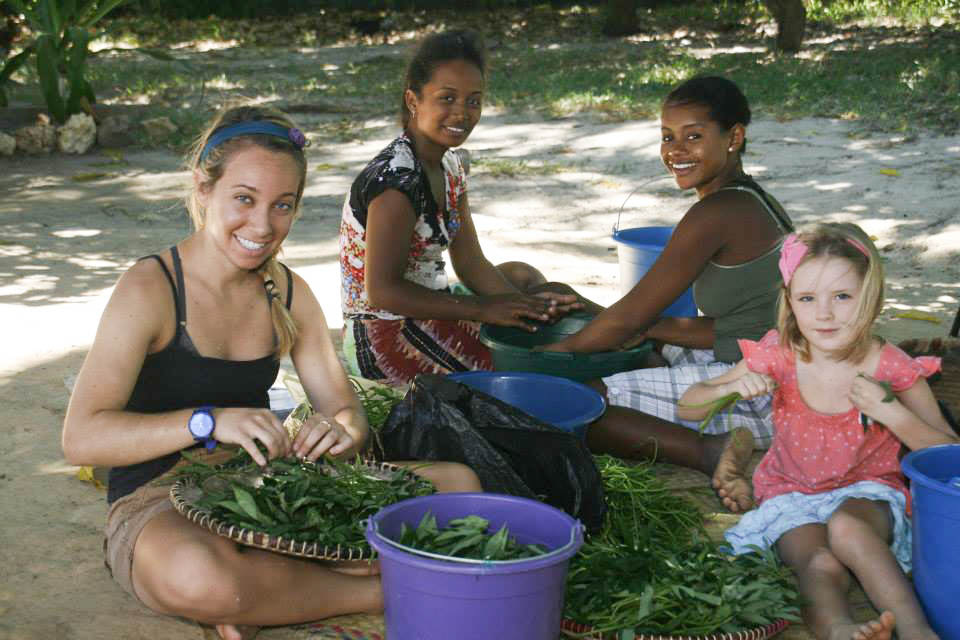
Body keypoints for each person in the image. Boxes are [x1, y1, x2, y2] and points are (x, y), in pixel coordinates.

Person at [62, 105, 481, 640]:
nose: (262, 226)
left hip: (269, 483)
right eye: (244, 198)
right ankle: (376, 589)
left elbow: (346, 414)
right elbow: (82, 439)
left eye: (283, 205)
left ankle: (266, 595)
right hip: (159, 499)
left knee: (457, 486)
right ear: (202, 189)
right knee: (198, 575)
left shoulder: (285, 291)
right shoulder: (151, 289)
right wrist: (206, 421)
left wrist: (339, 433)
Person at [679, 223, 955, 640]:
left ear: (871, 297)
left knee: (850, 530)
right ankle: (840, 630)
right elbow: (688, 406)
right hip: (791, 493)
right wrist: (731, 386)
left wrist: (893, 414)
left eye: (842, 296)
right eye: (807, 298)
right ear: (790, 302)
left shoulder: (889, 366)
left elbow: (947, 454)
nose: (824, 314)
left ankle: (918, 631)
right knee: (818, 563)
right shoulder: (781, 354)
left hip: (867, 490)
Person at [544, 75, 793, 512]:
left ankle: (709, 451)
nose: (675, 151)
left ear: (734, 137)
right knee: (603, 317)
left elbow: (626, 319)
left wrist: (551, 357)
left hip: (765, 393)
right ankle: (659, 383)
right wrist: (648, 330)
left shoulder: (718, 212)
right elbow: (746, 326)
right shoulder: (751, 199)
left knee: (579, 407)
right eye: (667, 137)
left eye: (693, 136)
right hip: (762, 360)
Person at [339, 29, 594, 386]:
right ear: (413, 101)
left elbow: (470, 261)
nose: (462, 113)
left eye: (473, 100)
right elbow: (383, 291)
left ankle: (628, 326)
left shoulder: (451, 166)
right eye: (446, 98)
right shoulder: (396, 183)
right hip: (384, 336)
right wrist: (485, 309)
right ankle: (631, 336)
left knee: (534, 286)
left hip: (429, 305)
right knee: (530, 366)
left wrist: (524, 310)